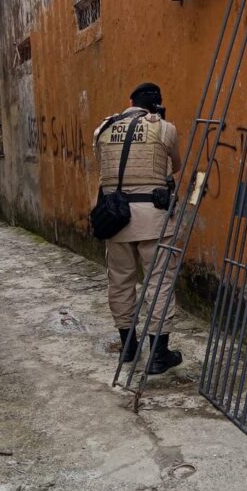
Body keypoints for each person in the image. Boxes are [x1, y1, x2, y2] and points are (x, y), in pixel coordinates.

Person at [93, 82, 183, 375]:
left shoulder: (103, 129)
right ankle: (158, 354)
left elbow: (103, 167)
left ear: (130, 102)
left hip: (115, 217)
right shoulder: (165, 128)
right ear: (156, 105)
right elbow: (176, 165)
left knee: (120, 282)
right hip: (153, 219)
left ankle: (128, 346)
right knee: (159, 282)